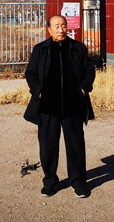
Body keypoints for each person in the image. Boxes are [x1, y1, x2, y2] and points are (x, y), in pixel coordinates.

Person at [24, 14, 95, 198]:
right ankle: (50, 181)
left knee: (75, 145)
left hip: (73, 105)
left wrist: (83, 89)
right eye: (56, 26)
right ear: (49, 29)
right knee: (48, 146)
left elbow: (89, 70)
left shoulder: (77, 48)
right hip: (48, 106)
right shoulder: (40, 49)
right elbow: (30, 74)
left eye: (63, 25)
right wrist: (39, 91)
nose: (61, 29)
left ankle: (78, 182)